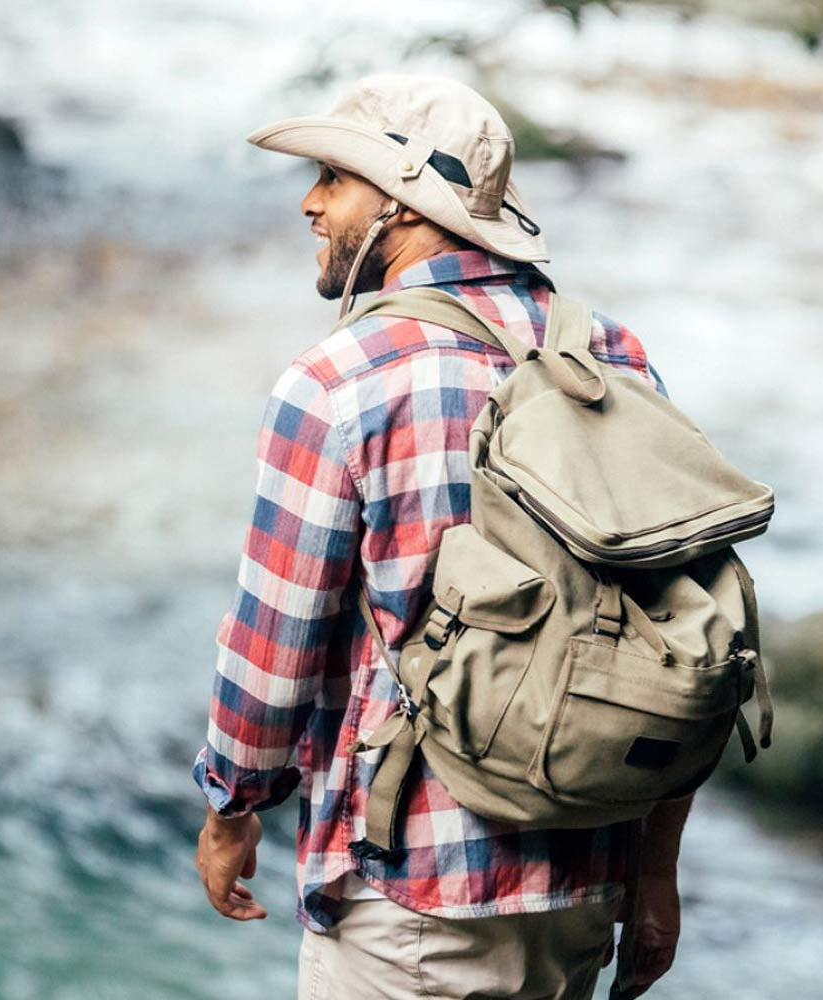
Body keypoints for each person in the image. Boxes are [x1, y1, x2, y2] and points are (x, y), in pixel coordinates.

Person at [192, 73, 693, 1000]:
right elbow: (679, 627)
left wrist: (233, 805)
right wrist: (655, 870)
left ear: (399, 205)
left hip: (414, 896)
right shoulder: (614, 355)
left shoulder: (340, 377)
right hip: (586, 877)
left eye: (333, 180)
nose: (310, 203)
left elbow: (276, 644)